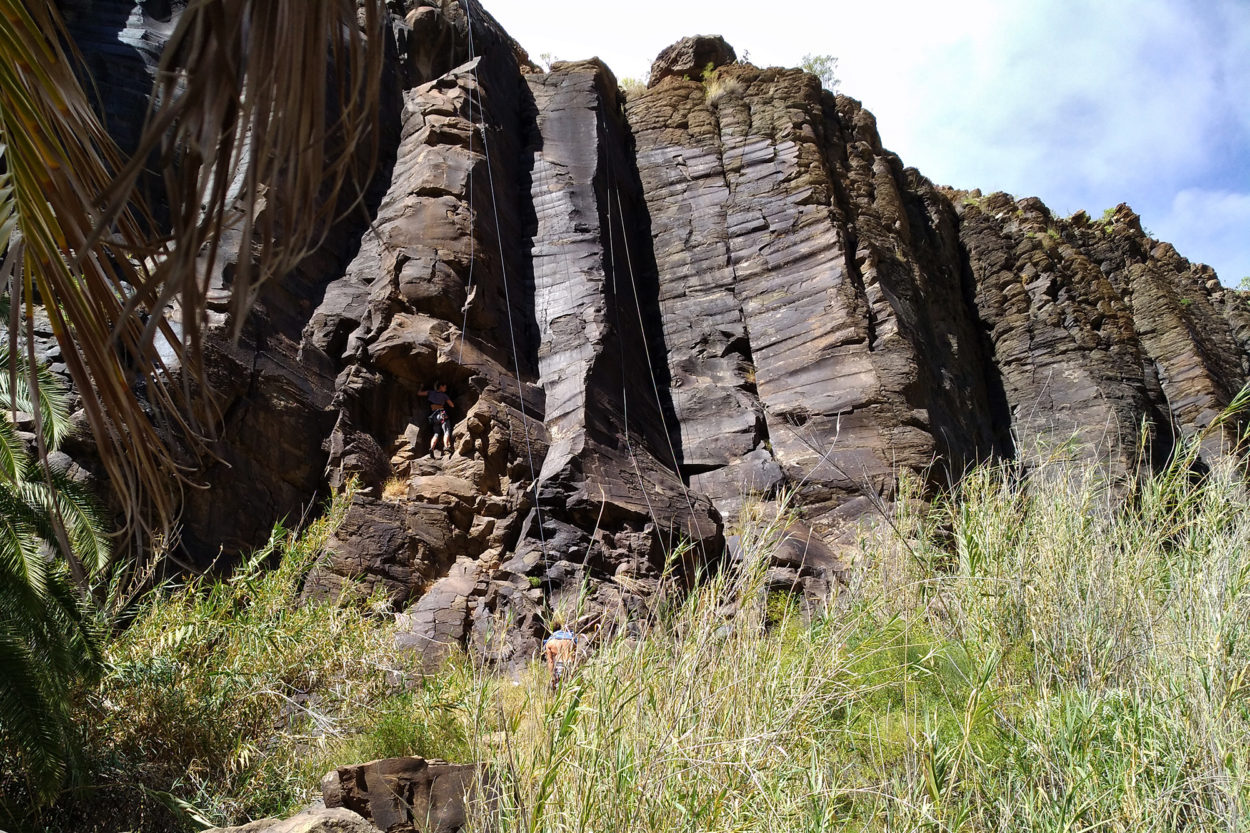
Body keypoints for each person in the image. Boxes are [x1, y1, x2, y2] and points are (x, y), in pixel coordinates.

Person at [417, 381, 455, 458]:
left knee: (436, 433)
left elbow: (419, 393)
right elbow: (452, 405)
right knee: (446, 430)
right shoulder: (444, 395)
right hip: (442, 413)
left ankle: (432, 448)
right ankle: (446, 446)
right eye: (445, 387)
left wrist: (421, 386)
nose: (446, 388)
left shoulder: (430, 393)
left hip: (433, 415)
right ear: (441, 386)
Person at [543, 625, 578, 690]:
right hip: (571, 664)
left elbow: (550, 661)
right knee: (572, 688)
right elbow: (575, 656)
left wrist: (552, 677)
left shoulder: (550, 643)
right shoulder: (571, 640)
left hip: (559, 666)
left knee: (559, 690)